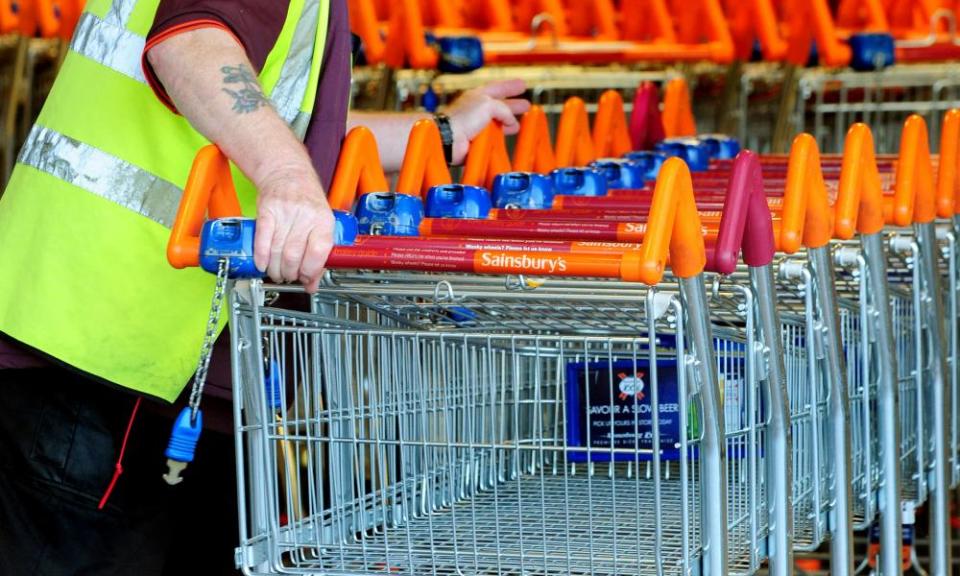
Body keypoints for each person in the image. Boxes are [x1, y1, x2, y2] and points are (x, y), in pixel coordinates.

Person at [0, 1, 530, 574]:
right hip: (106, 357)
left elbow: (274, 119)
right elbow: (190, 44)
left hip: (121, 346)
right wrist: (286, 178)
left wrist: (441, 132)